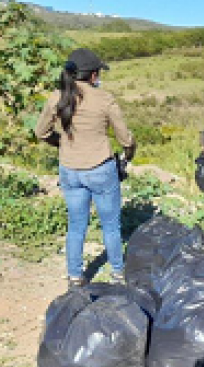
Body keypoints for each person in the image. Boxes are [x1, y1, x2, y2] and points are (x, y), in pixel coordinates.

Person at [35, 48, 136, 288]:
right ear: (92, 75)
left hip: (70, 169)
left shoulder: (57, 97)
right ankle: (118, 274)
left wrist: (61, 143)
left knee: (76, 224)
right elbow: (125, 139)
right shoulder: (104, 99)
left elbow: (41, 132)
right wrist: (128, 156)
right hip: (100, 167)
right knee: (111, 225)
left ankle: (74, 276)